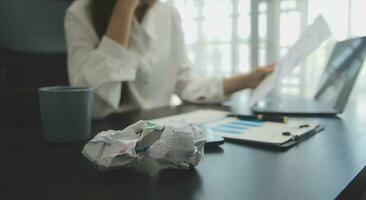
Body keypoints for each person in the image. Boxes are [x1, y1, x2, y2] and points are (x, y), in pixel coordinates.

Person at [64, 0, 275, 119]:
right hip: (106, 140)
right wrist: (124, 8)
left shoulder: (168, 14)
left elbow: (185, 84)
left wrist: (247, 80)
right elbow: (93, 108)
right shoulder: (80, 13)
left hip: (161, 134)